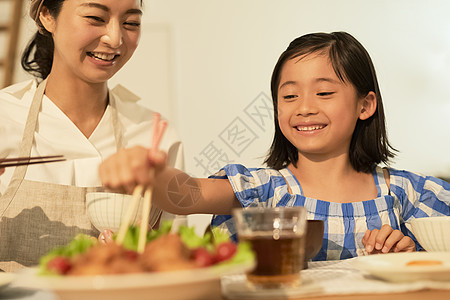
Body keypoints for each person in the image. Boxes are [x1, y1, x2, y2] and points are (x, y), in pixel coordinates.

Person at [99, 32, 450, 261]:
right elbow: (186, 194)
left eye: (324, 92)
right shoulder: (263, 189)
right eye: (289, 95)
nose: (304, 107)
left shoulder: (407, 193)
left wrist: (410, 254)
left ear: (365, 105)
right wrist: (149, 172)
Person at [0, 0, 184, 272]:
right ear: (47, 16)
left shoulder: (154, 134)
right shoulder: (5, 118)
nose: (115, 38)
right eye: (96, 18)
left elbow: (173, 265)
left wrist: (139, 260)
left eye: (130, 23)